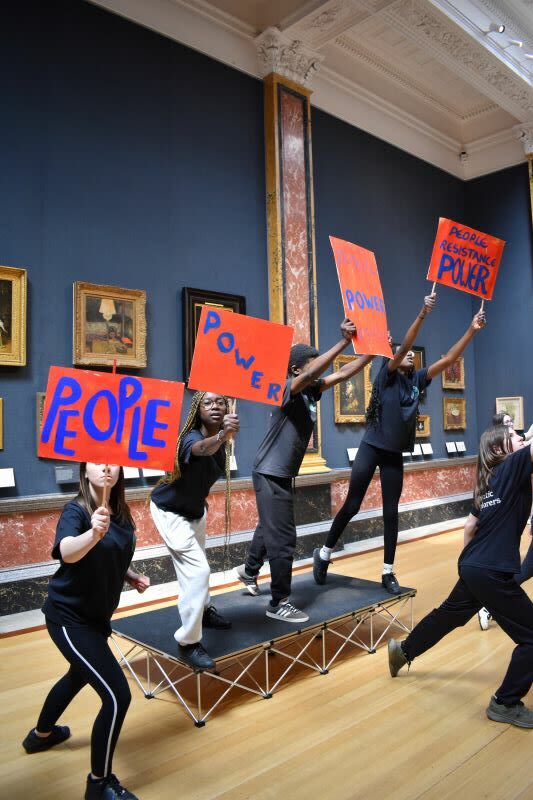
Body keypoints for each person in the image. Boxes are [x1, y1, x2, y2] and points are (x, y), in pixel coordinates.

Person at [313, 296, 486, 594]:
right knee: (353, 504)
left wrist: (472, 330)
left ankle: (387, 571)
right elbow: (404, 347)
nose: (409, 356)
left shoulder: (417, 380)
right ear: (391, 358)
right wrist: (422, 313)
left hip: (394, 454)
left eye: (409, 356)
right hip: (372, 446)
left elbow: (446, 361)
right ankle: (325, 553)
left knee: (391, 511)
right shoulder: (387, 376)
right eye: (401, 354)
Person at [388, 425, 533, 729]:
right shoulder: (513, 465)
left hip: (475, 565)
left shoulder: (492, 481)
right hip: (490, 570)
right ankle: (505, 703)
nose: (523, 438)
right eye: (517, 437)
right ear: (499, 450)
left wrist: (469, 566)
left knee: (448, 615)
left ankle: (403, 650)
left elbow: (470, 527)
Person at [22, 463, 150, 800]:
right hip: (68, 619)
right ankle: (99, 784)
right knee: (116, 695)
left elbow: (112, 555)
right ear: (85, 470)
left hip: (96, 620)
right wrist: (92, 534)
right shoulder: (76, 511)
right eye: (96, 461)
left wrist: (130, 576)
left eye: (113, 461)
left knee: (77, 676)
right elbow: (66, 552)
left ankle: (41, 734)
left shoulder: (120, 513)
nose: (106, 466)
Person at [237, 318, 374, 623]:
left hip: (280, 473)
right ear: (297, 369)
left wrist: (372, 354)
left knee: (269, 527)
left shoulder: (311, 392)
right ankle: (278, 602)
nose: (319, 369)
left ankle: (248, 572)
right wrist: (342, 341)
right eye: (312, 364)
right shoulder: (286, 388)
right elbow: (316, 371)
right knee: (283, 538)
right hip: (270, 471)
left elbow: (341, 372)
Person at [150, 392, 238, 671]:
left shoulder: (221, 437)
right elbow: (201, 449)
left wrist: (223, 435)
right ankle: (188, 642)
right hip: (170, 511)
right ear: (197, 410)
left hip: (194, 511)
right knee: (198, 571)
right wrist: (223, 435)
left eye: (220, 402)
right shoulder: (191, 437)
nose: (215, 406)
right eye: (207, 403)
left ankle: (204, 610)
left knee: (198, 565)